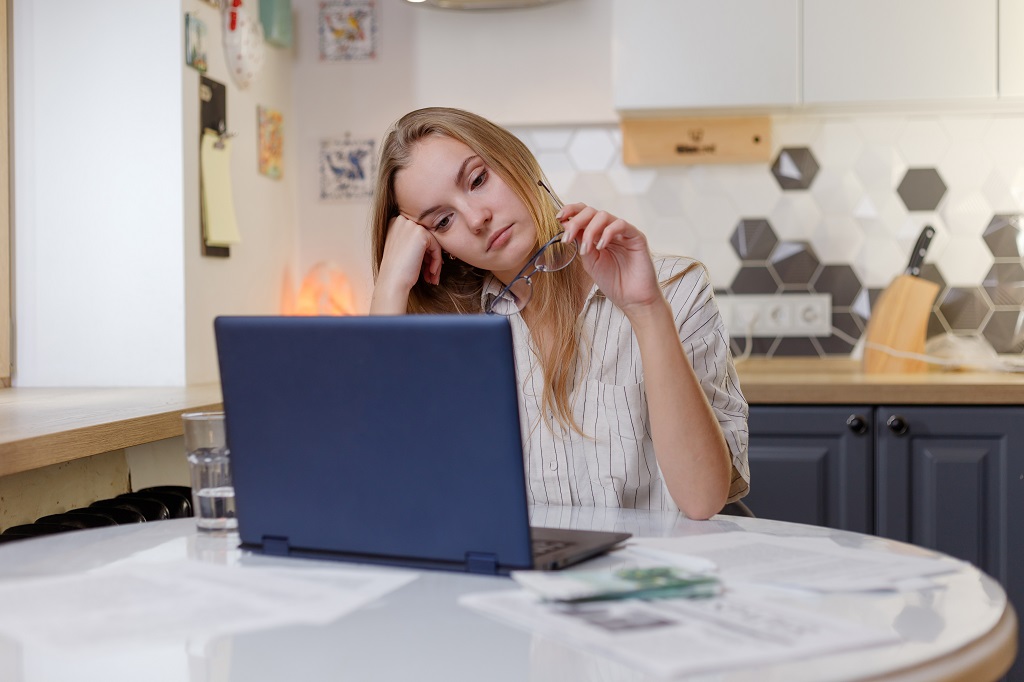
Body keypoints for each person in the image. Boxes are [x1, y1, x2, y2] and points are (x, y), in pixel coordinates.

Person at [369, 107, 749, 520]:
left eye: (478, 180)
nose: (476, 219)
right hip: (520, 579)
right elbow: (386, 492)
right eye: (443, 220)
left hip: (652, 575)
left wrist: (645, 310)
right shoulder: (448, 334)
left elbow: (702, 500)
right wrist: (389, 288)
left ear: (514, 159)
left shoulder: (675, 289)